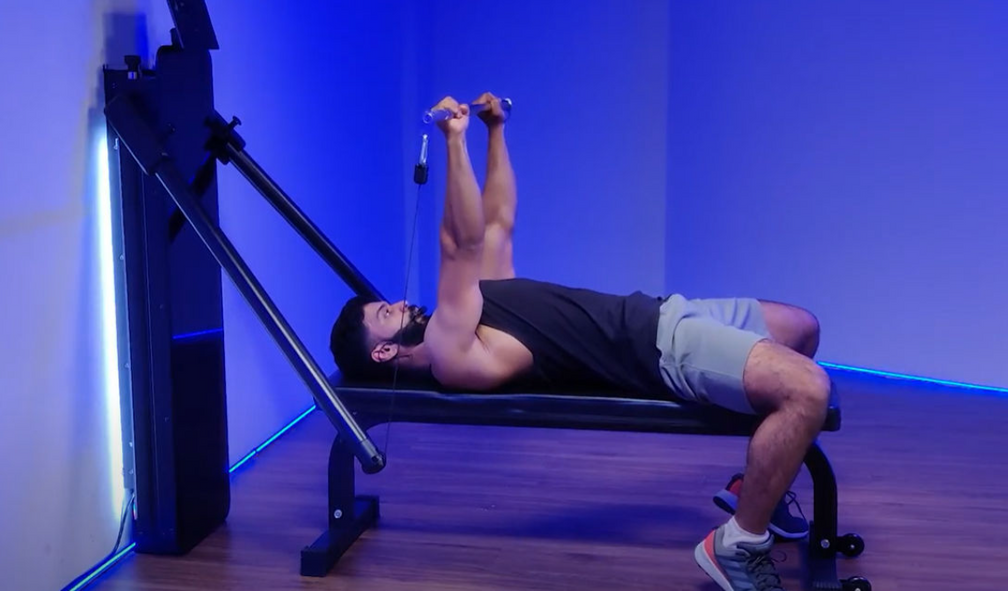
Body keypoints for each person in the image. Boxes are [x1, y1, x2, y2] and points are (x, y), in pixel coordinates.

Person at [330, 93, 830, 591]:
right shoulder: (450, 349)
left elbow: (497, 222)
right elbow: (460, 242)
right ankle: (739, 543)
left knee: (801, 328)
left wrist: (495, 131)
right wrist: (455, 142)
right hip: (660, 349)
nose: (398, 304)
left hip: (663, 312)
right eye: (385, 314)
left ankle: (758, 488)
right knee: (807, 389)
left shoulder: (472, 307)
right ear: (385, 351)